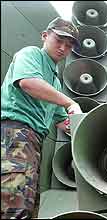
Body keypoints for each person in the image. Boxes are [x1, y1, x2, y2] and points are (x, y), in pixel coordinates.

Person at [1, 17, 83, 219]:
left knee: (27, 203)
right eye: (59, 40)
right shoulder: (31, 54)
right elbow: (28, 83)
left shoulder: (54, 84)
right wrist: (69, 102)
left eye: (69, 44)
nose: (63, 48)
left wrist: (88, 129)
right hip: (15, 133)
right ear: (45, 36)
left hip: (34, 142)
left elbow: (61, 121)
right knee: (15, 205)